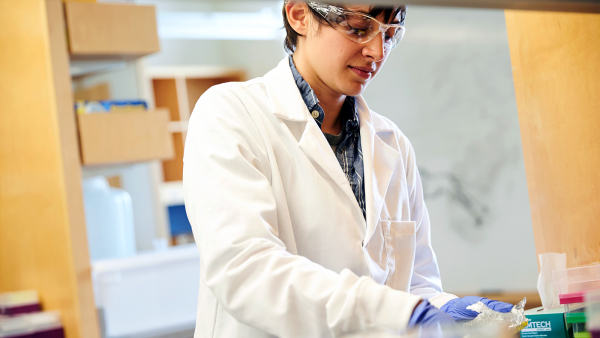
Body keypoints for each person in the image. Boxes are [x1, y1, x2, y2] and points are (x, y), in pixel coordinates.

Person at [183, 1, 513, 337]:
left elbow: (412, 284)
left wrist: (442, 307)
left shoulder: (393, 145)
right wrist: (397, 309)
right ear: (299, 15)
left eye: (390, 33)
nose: (377, 52)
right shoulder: (230, 114)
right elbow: (246, 272)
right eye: (359, 27)